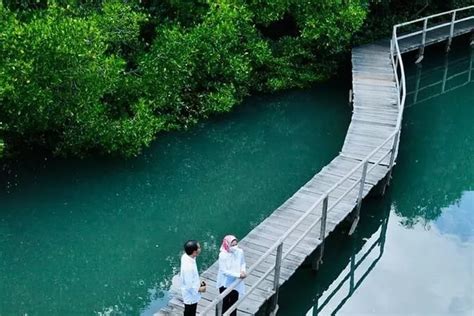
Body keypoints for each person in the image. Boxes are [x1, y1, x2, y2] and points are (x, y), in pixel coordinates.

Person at [216, 235, 246, 316]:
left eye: (236, 244)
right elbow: (224, 271)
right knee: (225, 302)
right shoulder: (222, 255)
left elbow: (243, 263)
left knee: (234, 302)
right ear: (227, 244)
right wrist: (238, 275)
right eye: (232, 245)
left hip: (235, 282)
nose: (234, 247)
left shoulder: (240, 252)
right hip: (225, 283)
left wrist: (243, 271)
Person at [180, 240, 206, 316]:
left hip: (191, 289)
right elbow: (189, 286)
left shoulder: (186, 256)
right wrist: (200, 289)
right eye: (199, 248)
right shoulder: (188, 267)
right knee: (190, 311)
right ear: (194, 252)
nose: (200, 249)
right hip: (190, 294)